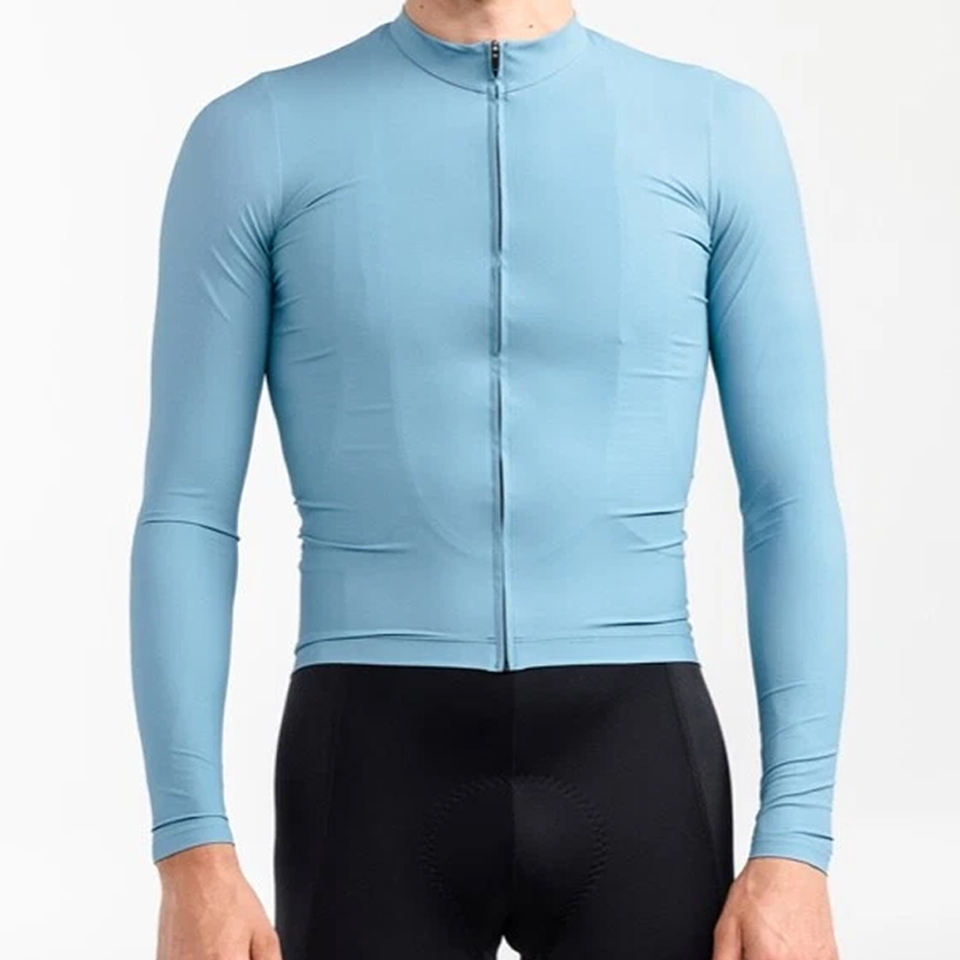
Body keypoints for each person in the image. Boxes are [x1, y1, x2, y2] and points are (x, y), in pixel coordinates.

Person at [129, 0, 847, 957]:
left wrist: (797, 843)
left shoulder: (718, 132)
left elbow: (789, 505)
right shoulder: (257, 137)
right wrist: (190, 849)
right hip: (369, 766)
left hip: (634, 756)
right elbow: (187, 510)